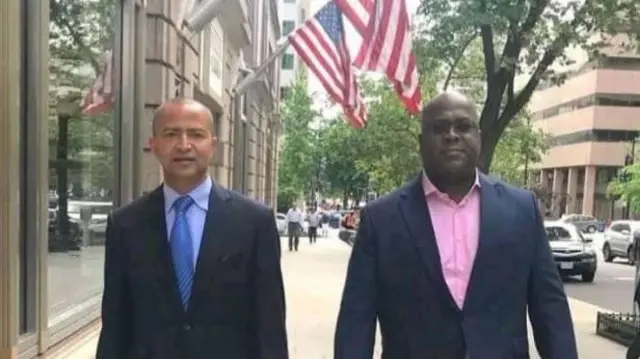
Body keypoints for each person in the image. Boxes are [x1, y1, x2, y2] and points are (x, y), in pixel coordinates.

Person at [334, 91, 577, 358]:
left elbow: (551, 311)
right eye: (438, 128)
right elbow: (356, 321)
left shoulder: (521, 210)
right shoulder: (380, 219)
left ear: (479, 138)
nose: (452, 135)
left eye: (463, 126)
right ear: (421, 142)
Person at [96, 98, 288, 359]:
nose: (184, 145)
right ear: (153, 145)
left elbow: (270, 326)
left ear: (213, 146)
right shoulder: (125, 224)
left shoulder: (255, 222)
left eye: (196, 134)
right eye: (171, 134)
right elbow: (115, 324)